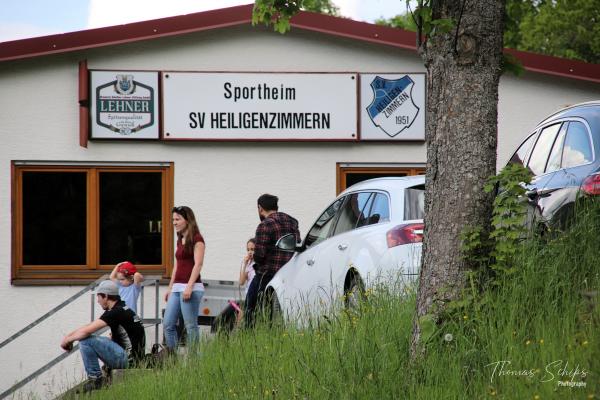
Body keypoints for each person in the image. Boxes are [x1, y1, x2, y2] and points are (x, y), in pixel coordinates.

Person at [60, 280, 146, 393]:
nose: (98, 301)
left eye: (99, 297)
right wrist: (69, 336)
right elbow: (89, 326)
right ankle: (97, 378)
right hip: (134, 358)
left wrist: (67, 340)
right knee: (93, 337)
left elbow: (86, 331)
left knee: (86, 341)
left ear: (105, 296)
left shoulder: (115, 312)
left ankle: (95, 379)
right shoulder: (121, 308)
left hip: (128, 361)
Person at [246, 194, 299, 327]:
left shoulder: (264, 225)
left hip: (267, 274)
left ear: (260, 208)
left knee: (252, 309)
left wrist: (255, 257)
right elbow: (296, 244)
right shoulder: (292, 221)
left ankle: (250, 335)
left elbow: (260, 255)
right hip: (289, 272)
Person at [163, 206, 205, 352]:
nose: (174, 222)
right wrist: (170, 287)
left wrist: (189, 286)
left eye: (177, 219)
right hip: (177, 287)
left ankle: (195, 363)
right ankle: (172, 359)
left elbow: (198, 264)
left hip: (191, 288)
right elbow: (177, 266)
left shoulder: (197, 239)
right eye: (173, 219)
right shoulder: (180, 239)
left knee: (190, 325)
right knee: (168, 324)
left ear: (187, 220)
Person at [211, 238, 256, 333]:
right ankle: (222, 330)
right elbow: (241, 282)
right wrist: (244, 264)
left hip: (254, 298)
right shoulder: (249, 264)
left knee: (241, 316)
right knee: (230, 312)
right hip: (247, 296)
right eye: (248, 250)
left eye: (252, 249)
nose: (250, 252)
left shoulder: (259, 264)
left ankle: (237, 333)